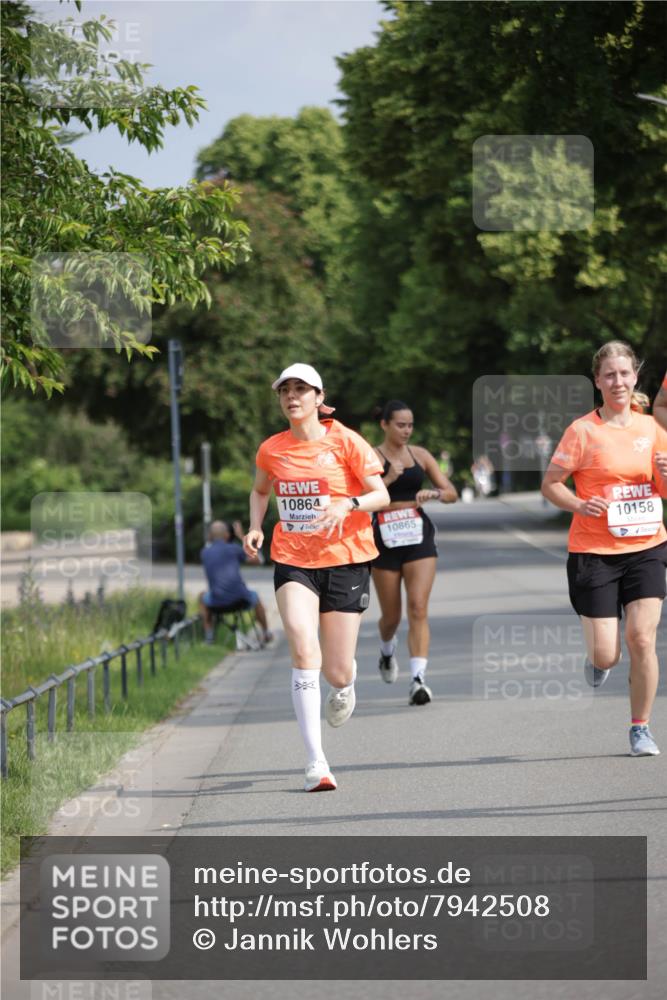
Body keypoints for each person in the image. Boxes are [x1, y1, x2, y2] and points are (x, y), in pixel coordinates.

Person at [243, 363, 389, 792]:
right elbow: (260, 490)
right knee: (304, 647)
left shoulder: (347, 441)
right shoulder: (272, 449)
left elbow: (381, 494)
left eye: (301, 389)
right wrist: (256, 525)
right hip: (293, 559)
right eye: (285, 390)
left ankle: (346, 684)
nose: (292, 397)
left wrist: (349, 505)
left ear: (319, 398)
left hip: (346, 559)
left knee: (337, 672)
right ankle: (316, 762)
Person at [541, 341, 667, 757]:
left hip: (647, 544)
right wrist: (579, 503)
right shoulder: (582, 431)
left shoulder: (651, 429)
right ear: (597, 381)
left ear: (636, 377)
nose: (618, 382)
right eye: (609, 375)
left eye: (624, 374)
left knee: (642, 640)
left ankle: (640, 728)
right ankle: (597, 661)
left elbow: (662, 490)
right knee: (608, 654)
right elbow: (551, 484)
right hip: (594, 550)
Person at [371, 400, 457, 705]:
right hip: (383, 538)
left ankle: (418, 680)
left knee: (418, 608)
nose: (406, 430)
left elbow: (451, 493)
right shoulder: (370, 456)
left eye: (410, 425)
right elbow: (359, 497)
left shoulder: (420, 455)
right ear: (385, 424)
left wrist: (433, 493)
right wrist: (389, 480)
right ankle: (386, 649)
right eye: (400, 425)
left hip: (417, 535)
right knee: (391, 617)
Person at [199, 520, 272, 645]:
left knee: (202, 597)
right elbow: (259, 560)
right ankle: (266, 633)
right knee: (256, 597)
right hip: (240, 599)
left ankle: (209, 636)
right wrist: (242, 536)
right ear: (227, 535)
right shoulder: (234, 549)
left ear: (210, 536)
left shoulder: (204, 553)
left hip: (216, 601)